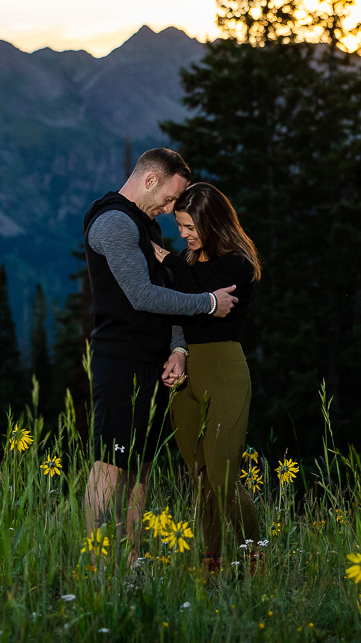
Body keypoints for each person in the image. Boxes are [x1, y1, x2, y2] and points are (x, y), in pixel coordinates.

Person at [81, 149, 238, 559]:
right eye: (170, 199)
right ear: (150, 180)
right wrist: (207, 302)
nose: (171, 210)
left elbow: (164, 293)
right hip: (120, 359)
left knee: (139, 472)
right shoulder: (114, 221)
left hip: (152, 361)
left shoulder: (145, 225)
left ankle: (131, 565)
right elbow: (143, 295)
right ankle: (99, 566)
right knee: (110, 466)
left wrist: (178, 347)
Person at [151, 182, 262, 569]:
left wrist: (173, 263)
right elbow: (180, 310)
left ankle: (255, 557)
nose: (183, 235)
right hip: (185, 372)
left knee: (223, 477)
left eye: (190, 227)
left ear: (212, 222)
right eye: (180, 226)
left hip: (223, 369)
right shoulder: (189, 261)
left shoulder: (237, 263)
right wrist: (176, 352)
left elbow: (205, 306)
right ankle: (210, 568)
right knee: (199, 478)